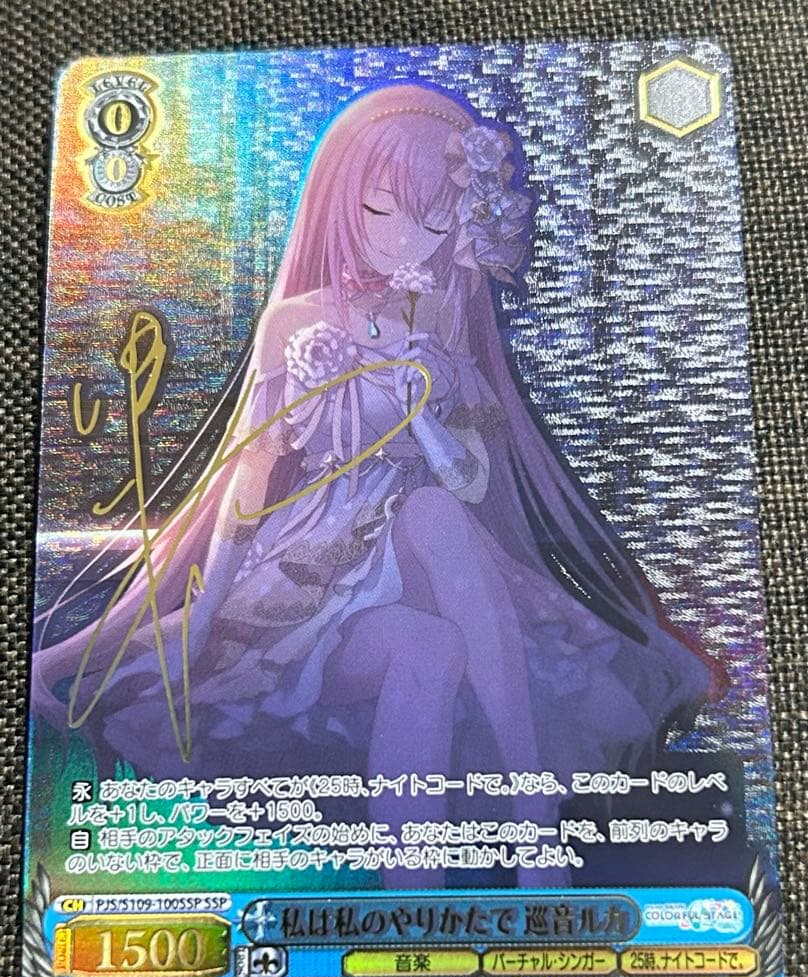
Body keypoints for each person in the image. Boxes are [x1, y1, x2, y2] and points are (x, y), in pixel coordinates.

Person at [31, 81, 728, 887]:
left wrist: (423, 405)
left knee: (432, 519)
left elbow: (472, 483)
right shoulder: (298, 322)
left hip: (431, 556)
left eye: (434, 223)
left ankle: (524, 825)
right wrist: (204, 610)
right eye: (380, 210)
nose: (404, 241)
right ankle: (432, 880)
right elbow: (252, 468)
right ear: (341, 202)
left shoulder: (442, 337)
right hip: (312, 570)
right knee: (429, 646)